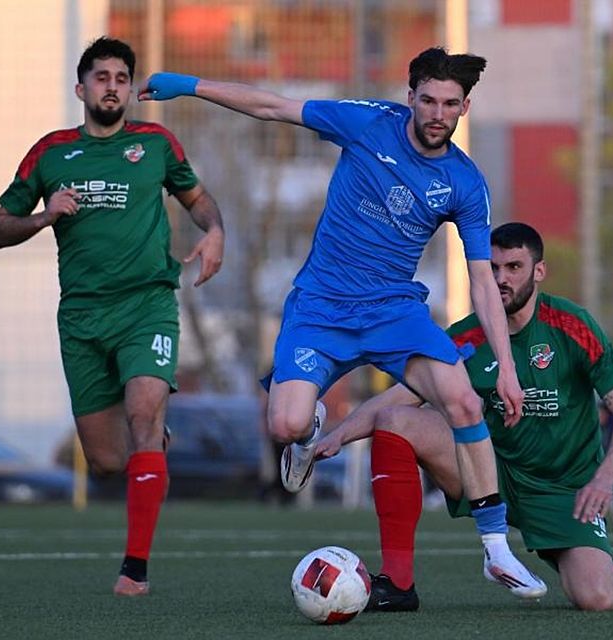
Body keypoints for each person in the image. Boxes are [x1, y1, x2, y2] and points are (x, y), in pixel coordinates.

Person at [139, 47, 540, 597]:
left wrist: (509, 369)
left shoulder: (465, 183)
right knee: (285, 425)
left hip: (394, 313)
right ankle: (307, 432)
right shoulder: (368, 123)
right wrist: (188, 84)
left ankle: (496, 551)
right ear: (410, 99)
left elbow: (481, 284)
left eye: (450, 103)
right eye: (428, 100)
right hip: (321, 309)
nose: (437, 113)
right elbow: (273, 107)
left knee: (464, 401)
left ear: (464, 108)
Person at [315, 223, 613, 611]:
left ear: (539, 271)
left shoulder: (572, 326)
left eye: (514, 267)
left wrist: (605, 478)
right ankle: (398, 584)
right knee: (397, 421)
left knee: (596, 597)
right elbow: (402, 395)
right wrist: (338, 435)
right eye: (493, 268)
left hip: (565, 490)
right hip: (491, 476)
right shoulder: (466, 337)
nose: (501, 279)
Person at [0, 37, 225, 596]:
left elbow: (197, 200)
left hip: (147, 305)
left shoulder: (155, 143)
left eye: (122, 77)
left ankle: (134, 570)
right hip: (81, 318)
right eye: (102, 77)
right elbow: (0, 228)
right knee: (104, 461)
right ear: (82, 88)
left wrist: (215, 232)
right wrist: (47, 215)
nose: (113, 86)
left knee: (144, 411)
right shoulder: (50, 152)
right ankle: (151, 441)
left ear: (130, 88)